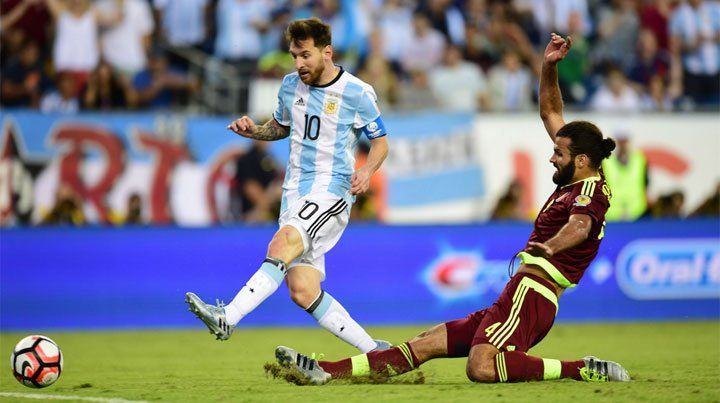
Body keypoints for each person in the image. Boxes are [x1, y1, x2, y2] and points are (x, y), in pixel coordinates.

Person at [273, 33, 631, 385]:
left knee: (482, 367)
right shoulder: (575, 175)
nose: (552, 157)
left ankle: (581, 368)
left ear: (581, 160)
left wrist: (551, 246)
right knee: (425, 342)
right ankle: (325, 371)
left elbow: (580, 227)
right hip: (519, 290)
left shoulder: (591, 191)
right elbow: (551, 110)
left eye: (559, 153)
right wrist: (548, 66)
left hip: (535, 295)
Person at [185, 18, 391, 354]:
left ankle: (228, 317)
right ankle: (375, 352)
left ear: (327, 52)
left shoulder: (357, 92)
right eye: (294, 55)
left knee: (282, 243)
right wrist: (254, 131)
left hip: (331, 191)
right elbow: (281, 127)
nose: (298, 63)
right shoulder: (289, 85)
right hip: (294, 192)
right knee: (302, 290)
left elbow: (381, 142)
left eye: (305, 55)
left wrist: (367, 170)